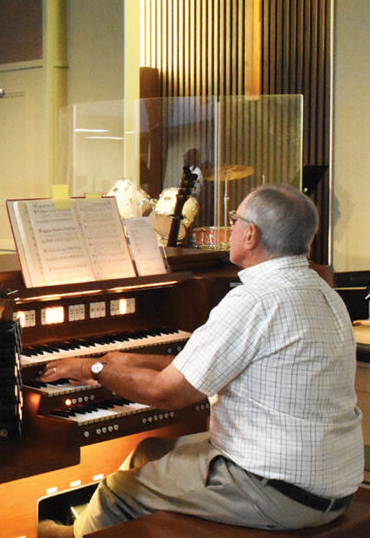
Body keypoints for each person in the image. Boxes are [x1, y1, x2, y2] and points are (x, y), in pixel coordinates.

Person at [39, 184, 363, 538]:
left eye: (235, 221)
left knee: (117, 491)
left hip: (273, 491)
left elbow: (168, 394)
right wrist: (125, 360)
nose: (233, 228)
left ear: (251, 235)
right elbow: (206, 359)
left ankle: (75, 534)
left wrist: (95, 369)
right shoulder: (323, 293)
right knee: (149, 452)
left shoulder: (253, 301)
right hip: (332, 482)